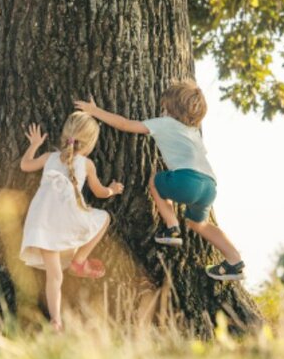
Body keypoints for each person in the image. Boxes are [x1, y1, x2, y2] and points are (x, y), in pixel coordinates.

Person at [74, 80, 245, 281]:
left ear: (169, 108)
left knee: (155, 180)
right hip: (209, 185)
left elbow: (124, 124)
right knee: (199, 224)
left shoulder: (163, 123)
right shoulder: (194, 131)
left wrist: (95, 111)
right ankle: (235, 260)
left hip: (186, 180)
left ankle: (172, 228)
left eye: (163, 106)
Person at [19, 112, 124, 331]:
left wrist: (35, 145)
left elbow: (25, 165)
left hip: (43, 222)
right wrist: (113, 190)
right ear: (91, 142)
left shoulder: (49, 157)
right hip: (67, 218)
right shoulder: (87, 164)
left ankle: (56, 321)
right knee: (103, 218)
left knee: (54, 276)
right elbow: (100, 192)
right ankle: (79, 260)